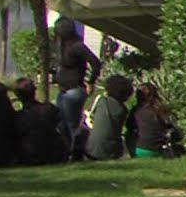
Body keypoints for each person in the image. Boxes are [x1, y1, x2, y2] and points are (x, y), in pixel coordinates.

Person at [52, 17, 101, 161]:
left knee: (72, 124)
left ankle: (77, 154)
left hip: (74, 88)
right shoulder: (62, 45)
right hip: (63, 90)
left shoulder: (77, 46)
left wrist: (90, 81)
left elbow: (95, 63)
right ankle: (67, 152)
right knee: (62, 124)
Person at [12, 77, 68, 166]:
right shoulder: (50, 109)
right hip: (54, 154)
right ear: (35, 91)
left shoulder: (18, 117)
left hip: (29, 157)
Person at [83, 75, 133, 160]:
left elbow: (89, 115)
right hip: (112, 152)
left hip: (91, 151)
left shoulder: (101, 100)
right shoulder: (123, 110)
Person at [125, 82, 175, 158]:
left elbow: (129, 126)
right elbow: (170, 126)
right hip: (158, 149)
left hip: (139, 150)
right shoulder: (161, 110)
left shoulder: (136, 111)